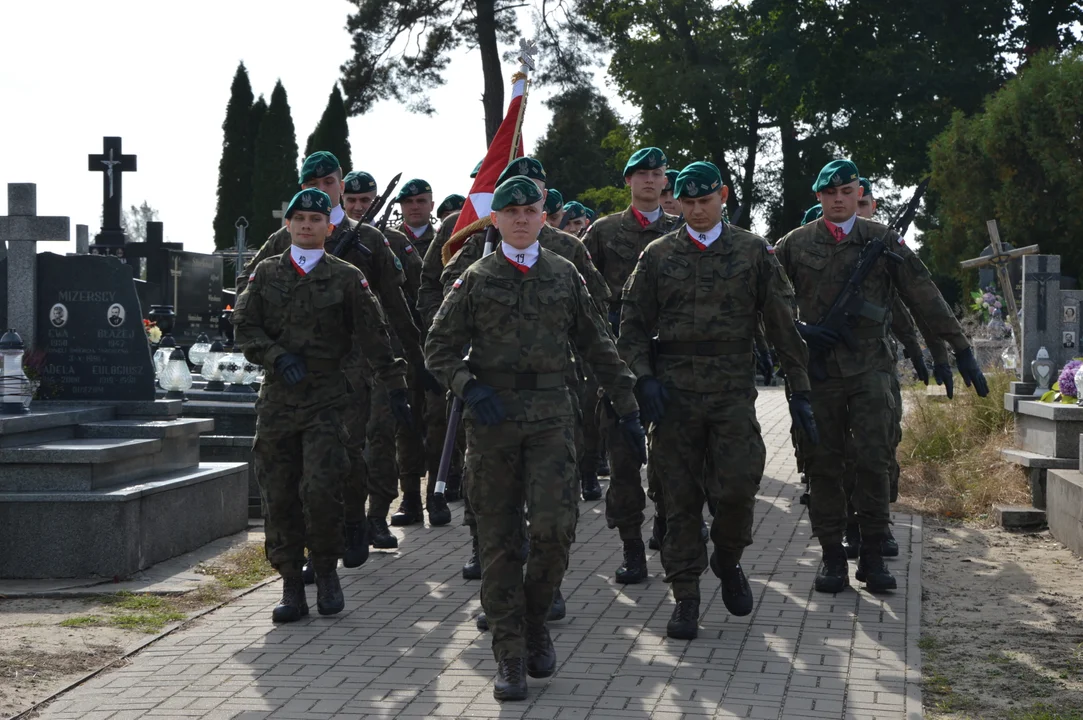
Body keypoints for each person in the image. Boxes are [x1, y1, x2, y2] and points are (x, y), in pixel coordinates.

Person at [425, 176, 646, 701]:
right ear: (495, 220)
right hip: (493, 421)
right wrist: (468, 387)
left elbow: (599, 346)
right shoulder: (475, 279)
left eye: (530, 210)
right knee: (499, 543)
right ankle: (510, 653)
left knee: (554, 530)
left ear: (543, 217)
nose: (522, 218)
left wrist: (628, 406)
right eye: (511, 211)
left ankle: (535, 615)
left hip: (551, 418)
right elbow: (437, 348)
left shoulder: (565, 274)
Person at [618, 161, 817, 639]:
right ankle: (685, 596)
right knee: (677, 499)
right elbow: (632, 327)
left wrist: (801, 392)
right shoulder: (658, 255)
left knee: (736, 490)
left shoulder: (752, 252)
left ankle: (727, 560)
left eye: (704, 201)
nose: (696, 211)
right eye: (687, 203)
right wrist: (642, 379)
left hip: (731, 394)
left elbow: (783, 327)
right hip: (675, 397)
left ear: (722, 196)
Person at [774, 159, 988, 596]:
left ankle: (872, 554)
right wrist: (801, 332)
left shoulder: (883, 241)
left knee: (872, 461)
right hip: (819, 373)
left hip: (871, 369)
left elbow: (924, 295)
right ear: (818, 197)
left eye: (846, 191)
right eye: (829, 192)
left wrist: (960, 349)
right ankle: (833, 556)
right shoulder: (794, 245)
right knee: (823, 465)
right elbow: (767, 304)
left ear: (858, 194)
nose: (838, 199)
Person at [233, 188, 410, 622]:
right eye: (300, 219)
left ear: (329, 229)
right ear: (288, 225)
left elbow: (374, 335)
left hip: (328, 400)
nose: (307, 225)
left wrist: (397, 385)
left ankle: (326, 571)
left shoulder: (347, 277)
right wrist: (276, 357)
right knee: (278, 492)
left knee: (321, 488)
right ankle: (292, 584)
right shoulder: (266, 274)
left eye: (316, 219)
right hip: (278, 400)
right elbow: (243, 325)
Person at [238, 151, 428, 557]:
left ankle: (365, 518)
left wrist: (416, 363)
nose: (321, 191)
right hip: (295, 370)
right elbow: (247, 295)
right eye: (312, 185)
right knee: (308, 467)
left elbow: (396, 308)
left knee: (362, 446)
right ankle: (320, 543)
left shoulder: (370, 240)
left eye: (328, 183)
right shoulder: (282, 240)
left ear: (342, 185)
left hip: (360, 363)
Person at [583, 146, 681, 585]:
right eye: (640, 173)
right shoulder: (603, 233)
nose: (648, 180)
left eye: (656, 174)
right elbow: (579, 289)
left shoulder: (683, 231)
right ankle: (632, 548)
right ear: (628, 181)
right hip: (620, 361)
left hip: (674, 362)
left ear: (666, 183)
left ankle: (668, 525)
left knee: (673, 456)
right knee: (623, 459)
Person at [340, 169, 436, 544]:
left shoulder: (390, 241)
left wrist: (418, 353)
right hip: (342, 359)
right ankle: (347, 517)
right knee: (348, 438)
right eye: (353, 201)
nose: (360, 206)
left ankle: (377, 514)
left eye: (366, 200)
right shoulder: (324, 238)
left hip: (386, 355)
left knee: (382, 435)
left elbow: (415, 292)